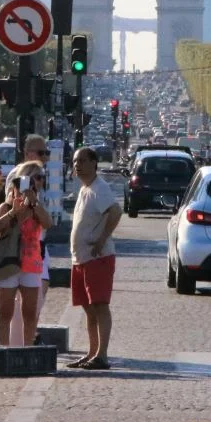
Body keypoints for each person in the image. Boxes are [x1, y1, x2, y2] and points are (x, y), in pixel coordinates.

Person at [68, 146, 120, 370]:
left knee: (99, 305)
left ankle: (102, 355)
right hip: (81, 259)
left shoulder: (100, 188)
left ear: (93, 163)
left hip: (97, 258)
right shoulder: (84, 189)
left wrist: (101, 239)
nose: (77, 165)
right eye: (74, 161)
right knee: (88, 308)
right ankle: (92, 352)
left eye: (81, 160)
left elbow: (116, 211)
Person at [0, 159, 52, 347]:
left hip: (31, 263)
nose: (39, 182)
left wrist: (33, 204)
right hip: (8, 262)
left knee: (30, 312)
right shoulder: (6, 206)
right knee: (5, 311)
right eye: (35, 178)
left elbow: (48, 223)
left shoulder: (37, 206)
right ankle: (3, 350)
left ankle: (27, 349)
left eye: (41, 178)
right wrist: (13, 211)